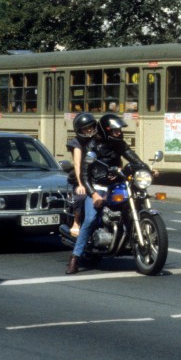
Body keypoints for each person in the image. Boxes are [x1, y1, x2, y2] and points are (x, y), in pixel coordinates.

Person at [67, 113, 149, 274]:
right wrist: (94, 194)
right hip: (98, 186)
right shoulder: (92, 146)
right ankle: (75, 258)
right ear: (106, 130)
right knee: (90, 219)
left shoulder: (119, 143)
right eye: (115, 130)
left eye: (119, 129)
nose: (119, 132)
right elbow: (85, 174)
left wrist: (147, 168)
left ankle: (129, 237)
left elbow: (133, 158)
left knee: (134, 201)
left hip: (117, 183)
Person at [65, 113, 100, 239]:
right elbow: (77, 164)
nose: (89, 130)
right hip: (81, 178)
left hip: (96, 175)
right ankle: (76, 221)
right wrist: (81, 184)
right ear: (79, 130)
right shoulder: (77, 143)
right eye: (85, 128)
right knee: (81, 196)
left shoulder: (98, 139)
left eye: (90, 127)